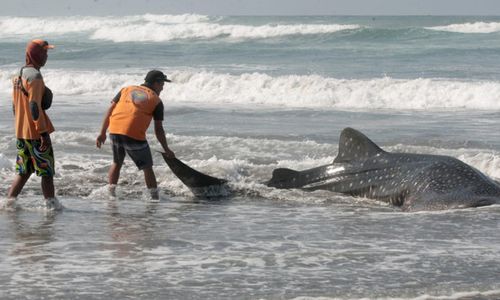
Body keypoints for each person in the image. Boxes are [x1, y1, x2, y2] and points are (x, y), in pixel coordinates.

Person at [96, 70, 175, 201]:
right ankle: (154, 198)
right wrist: (166, 149)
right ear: (156, 83)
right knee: (147, 167)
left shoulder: (126, 89)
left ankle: (111, 194)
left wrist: (102, 132)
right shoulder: (156, 100)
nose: (162, 88)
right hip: (133, 135)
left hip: (114, 130)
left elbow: (110, 110)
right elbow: (159, 129)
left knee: (117, 162)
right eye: (162, 84)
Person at [7, 39, 60, 209]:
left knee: (24, 171)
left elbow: (15, 106)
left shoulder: (18, 76)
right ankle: (51, 206)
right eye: (44, 53)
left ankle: (9, 203)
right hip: (36, 133)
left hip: (21, 133)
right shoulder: (35, 77)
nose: (46, 56)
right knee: (47, 172)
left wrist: (20, 126)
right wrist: (43, 133)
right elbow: (34, 106)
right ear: (35, 54)